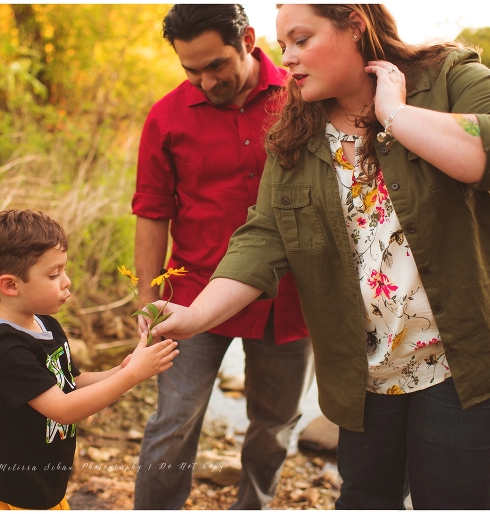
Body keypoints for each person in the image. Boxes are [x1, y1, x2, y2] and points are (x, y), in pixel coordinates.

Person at [142, 4, 490, 510]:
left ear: (355, 24)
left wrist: (395, 115)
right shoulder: (294, 130)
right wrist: (194, 315)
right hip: (366, 372)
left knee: (452, 500)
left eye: (301, 40)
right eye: (283, 45)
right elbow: (263, 237)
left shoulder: (448, 76)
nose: (286, 58)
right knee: (364, 498)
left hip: (468, 358)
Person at [132, 4, 314, 510]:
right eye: (191, 69)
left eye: (216, 65)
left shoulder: (304, 97)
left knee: (275, 425)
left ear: (249, 40)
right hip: (192, 296)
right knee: (173, 421)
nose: (206, 80)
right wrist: (148, 302)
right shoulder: (165, 117)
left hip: (288, 298)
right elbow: (151, 213)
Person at [0, 209, 179, 510]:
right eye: (53, 275)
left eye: (64, 270)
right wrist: (131, 378)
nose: (67, 282)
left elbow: (71, 383)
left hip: (46, 488)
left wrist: (122, 369)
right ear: (11, 285)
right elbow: (62, 409)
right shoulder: (2, 349)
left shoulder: (46, 324)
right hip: (8, 495)